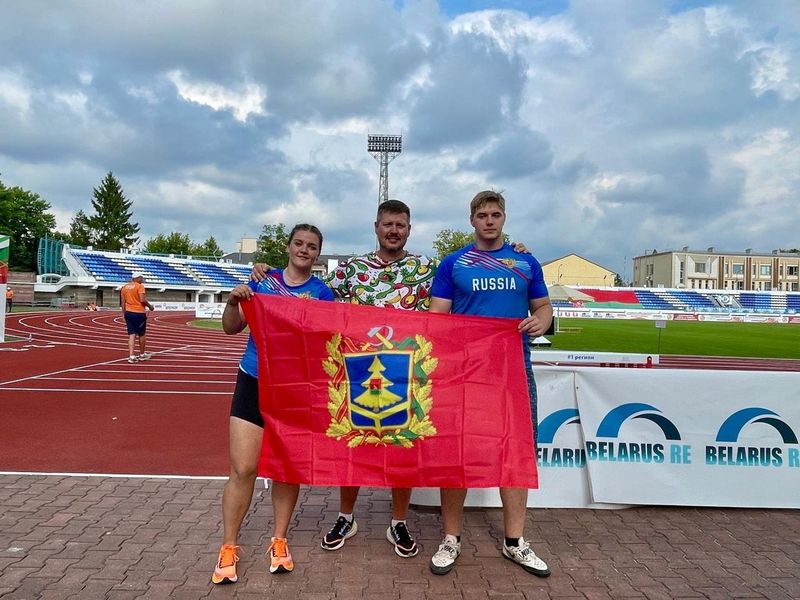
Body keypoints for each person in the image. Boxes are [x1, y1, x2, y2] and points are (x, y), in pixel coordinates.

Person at [427, 190, 553, 578]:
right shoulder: (453, 264)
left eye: (495, 214)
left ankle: (514, 541)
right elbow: (437, 318)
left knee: (516, 452)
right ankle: (451, 538)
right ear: (472, 220)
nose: (489, 221)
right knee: (457, 453)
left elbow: (543, 307)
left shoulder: (525, 261)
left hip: (512, 371)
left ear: (504, 218)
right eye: (482, 215)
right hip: (464, 374)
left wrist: (542, 321)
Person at [212, 224, 334, 584]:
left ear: (318, 253)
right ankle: (228, 545)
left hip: (294, 389)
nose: (304, 250)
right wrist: (233, 301)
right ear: (288, 246)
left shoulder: (322, 294)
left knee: (286, 469)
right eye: (299, 243)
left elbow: (327, 340)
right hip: (254, 380)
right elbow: (230, 328)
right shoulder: (263, 282)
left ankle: (279, 540)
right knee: (243, 468)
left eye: (311, 246)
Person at [120, 272, 154, 363]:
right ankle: (142, 354)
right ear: (138, 278)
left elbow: (123, 302)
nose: (142, 279)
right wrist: (150, 306)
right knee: (141, 334)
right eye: (141, 278)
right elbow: (142, 299)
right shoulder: (140, 286)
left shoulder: (124, 287)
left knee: (131, 334)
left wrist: (123, 313)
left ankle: (131, 356)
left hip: (128, 312)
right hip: (138, 313)